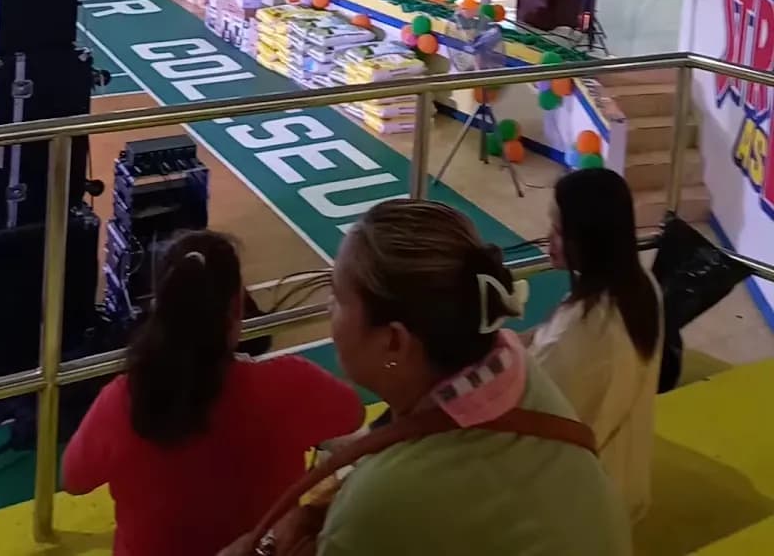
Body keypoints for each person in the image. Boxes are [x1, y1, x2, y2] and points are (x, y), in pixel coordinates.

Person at [229, 201, 630, 556]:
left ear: (394, 341)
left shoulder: (378, 504)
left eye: (338, 296)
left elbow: (395, 506)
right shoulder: (511, 366)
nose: (330, 306)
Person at [63, 232, 362, 556]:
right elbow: (352, 413)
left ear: (158, 309)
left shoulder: (121, 399)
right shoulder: (290, 383)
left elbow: (74, 479)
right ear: (237, 308)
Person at [530, 168, 663, 522]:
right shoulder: (642, 287)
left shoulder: (578, 336)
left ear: (588, 239)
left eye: (558, 231)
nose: (547, 239)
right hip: (627, 486)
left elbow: (526, 428)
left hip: (581, 512)